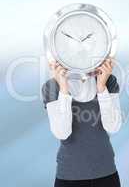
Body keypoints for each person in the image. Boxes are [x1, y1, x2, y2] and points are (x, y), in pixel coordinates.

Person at [41, 58, 122, 187]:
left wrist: (101, 88)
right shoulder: (52, 87)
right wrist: (63, 89)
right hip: (69, 176)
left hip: (106, 173)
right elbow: (62, 133)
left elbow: (113, 127)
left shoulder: (108, 80)